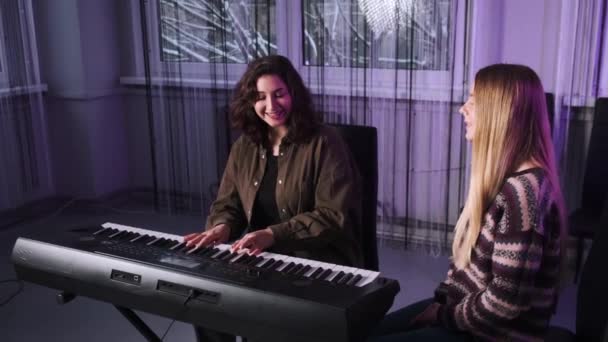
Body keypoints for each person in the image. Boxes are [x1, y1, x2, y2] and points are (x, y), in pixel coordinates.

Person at [368, 64, 567, 342]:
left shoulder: (524, 194)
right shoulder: (502, 178)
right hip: (465, 314)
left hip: (494, 335)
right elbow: (466, 271)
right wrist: (441, 302)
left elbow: (504, 303)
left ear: (500, 113)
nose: (463, 109)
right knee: (367, 332)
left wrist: (441, 316)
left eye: (473, 101)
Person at [184, 55, 363, 342]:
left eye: (279, 94)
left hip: (315, 258)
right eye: (260, 97)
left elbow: (332, 215)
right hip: (261, 256)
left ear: (294, 93)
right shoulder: (245, 145)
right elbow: (228, 203)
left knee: (266, 314)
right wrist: (223, 227)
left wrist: (272, 234)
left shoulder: (326, 142)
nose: (271, 106)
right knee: (205, 301)